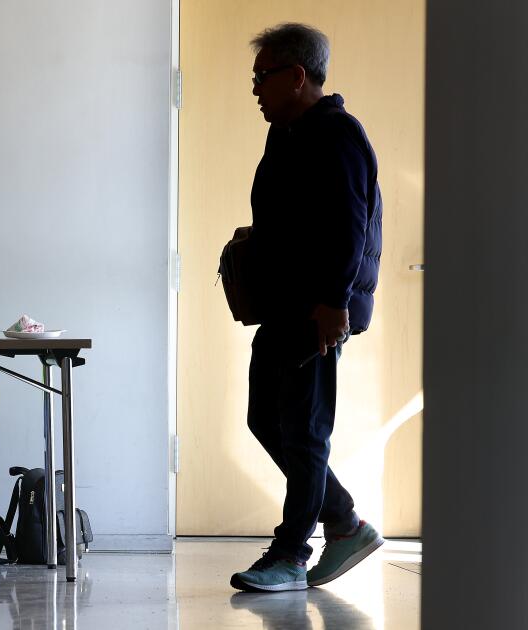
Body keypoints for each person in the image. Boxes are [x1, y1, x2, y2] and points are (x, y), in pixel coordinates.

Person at [229, 23, 385, 593]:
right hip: (284, 305)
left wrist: (333, 303)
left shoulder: (336, 135)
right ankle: (343, 522)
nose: (255, 90)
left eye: (261, 77)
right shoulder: (289, 135)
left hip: (318, 309)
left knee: (305, 430)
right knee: (265, 419)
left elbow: (348, 229)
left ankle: (292, 554)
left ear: (297, 76)